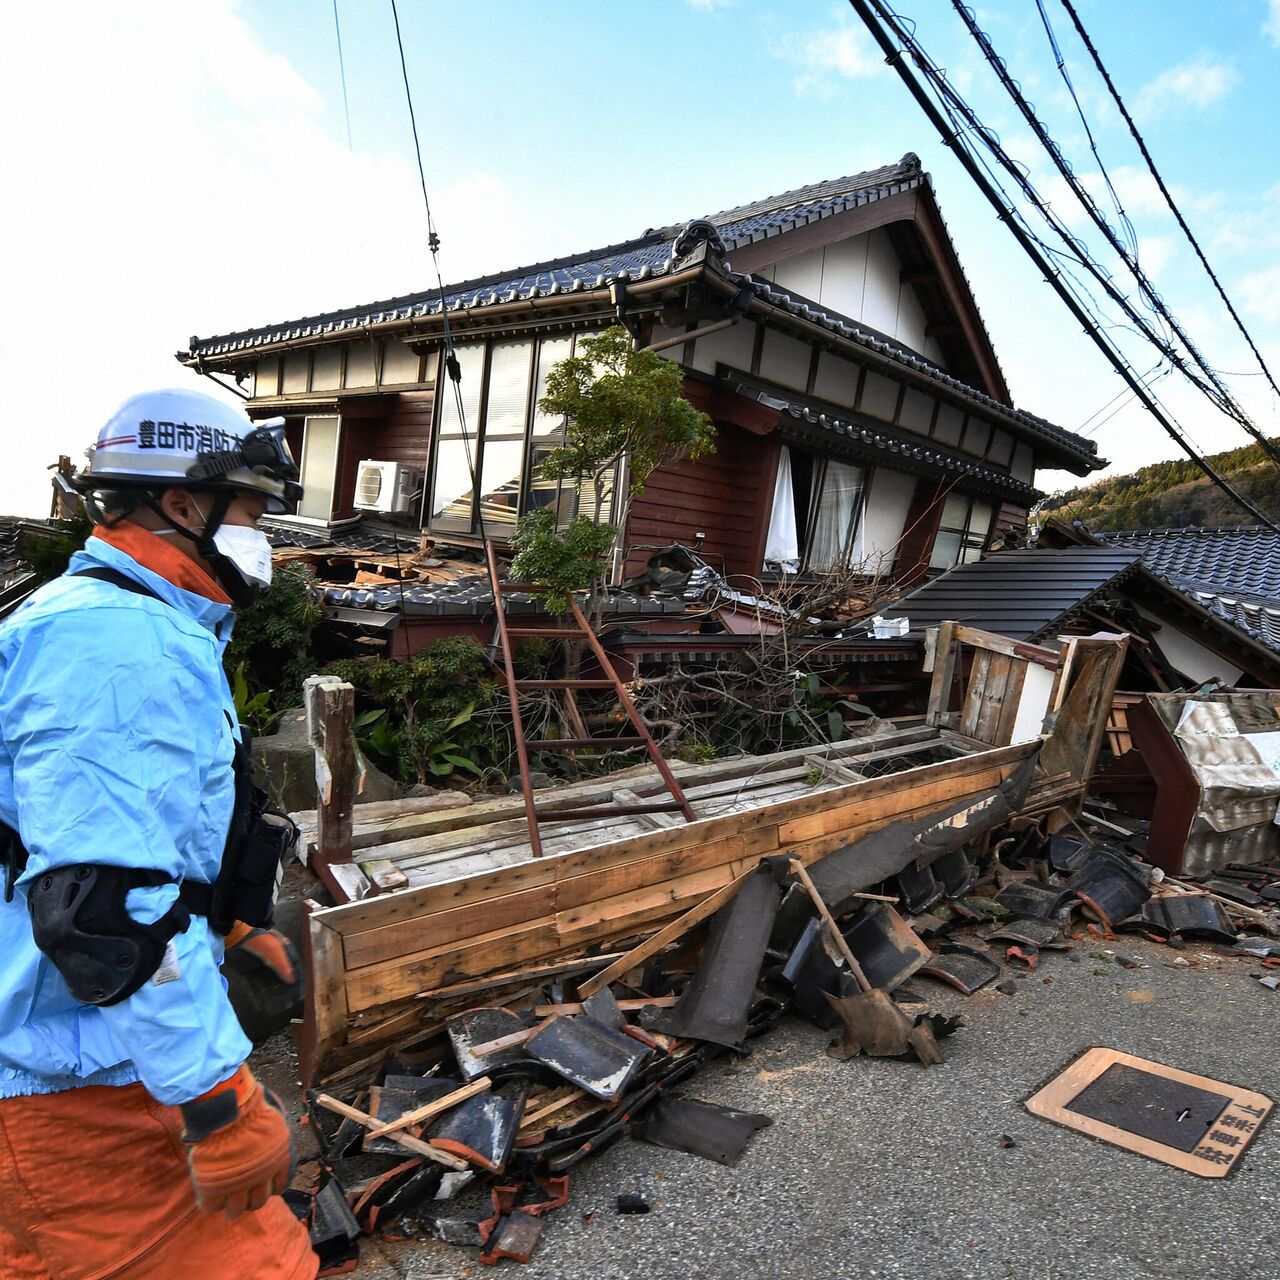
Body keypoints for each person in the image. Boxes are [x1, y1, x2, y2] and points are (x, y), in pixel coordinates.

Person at [0, 389, 318, 1280]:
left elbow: (128, 845)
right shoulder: (116, 644)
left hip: (48, 1066)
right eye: (253, 509)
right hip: (79, 1094)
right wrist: (216, 1099)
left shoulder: (115, 622)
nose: (263, 534)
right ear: (183, 504)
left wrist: (230, 924)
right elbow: (110, 912)